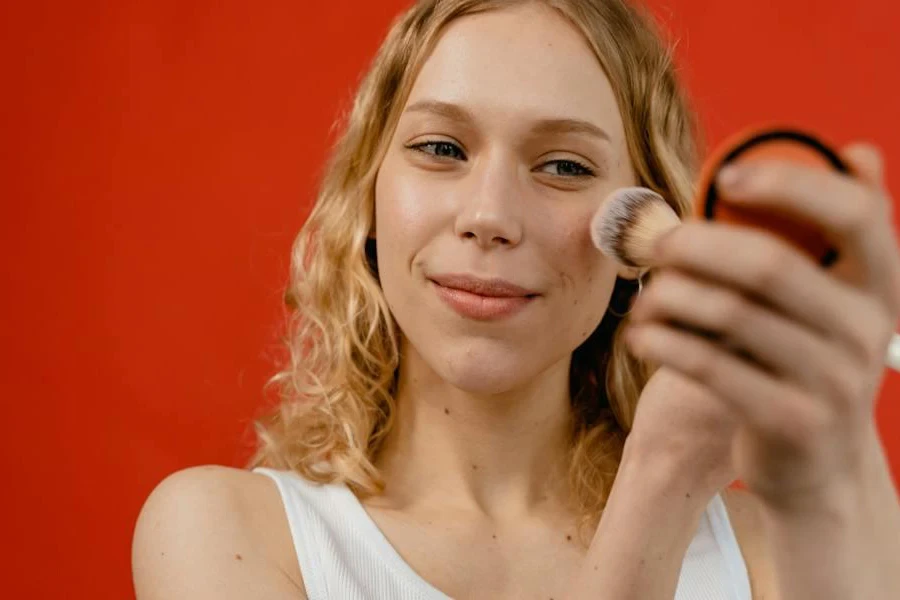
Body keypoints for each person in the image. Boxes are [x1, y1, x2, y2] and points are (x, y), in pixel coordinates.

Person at [131, 0, 900, 598]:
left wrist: (832, 454)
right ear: (367, 195)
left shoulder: (773, 548)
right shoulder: (228, 534)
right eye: (441, 149)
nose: (491, 216)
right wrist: (659, 481)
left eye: (563, 166)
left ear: (643, 227)